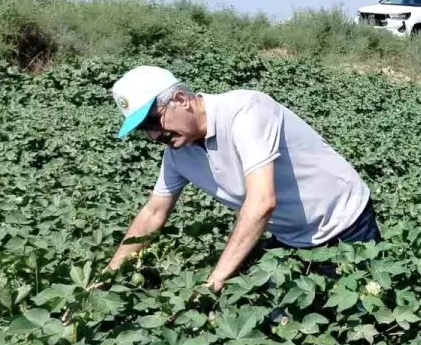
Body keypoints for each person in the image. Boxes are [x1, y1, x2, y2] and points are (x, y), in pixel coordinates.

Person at [103, 65, 378, 291]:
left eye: (153, 122)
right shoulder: (178, 155)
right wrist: (108, 276)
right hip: (289, 236)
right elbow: (153, 213)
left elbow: (262, 202)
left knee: (352, 316)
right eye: (143, 130)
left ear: (180, 100)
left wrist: (214, 281)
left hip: (344, 225)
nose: (153, 135)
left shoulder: (246, 110)